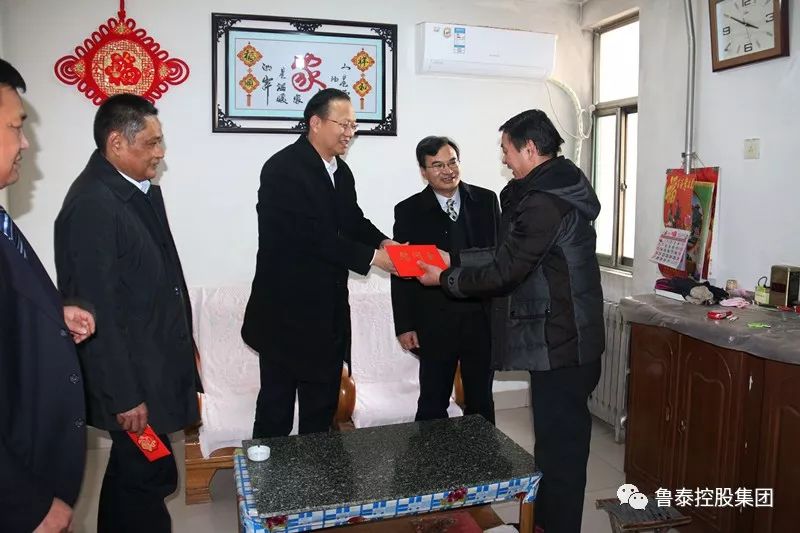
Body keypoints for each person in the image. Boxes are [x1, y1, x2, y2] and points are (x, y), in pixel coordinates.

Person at [418, 109, 604, 533]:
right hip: (563, 340)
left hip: (564, 343)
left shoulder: (545, 201)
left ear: (530, 149)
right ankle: (545, 524)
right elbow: (511, 254)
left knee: (561, 454)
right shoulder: (549, 189)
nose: (503, 158)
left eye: (506, 149)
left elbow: (507, 271)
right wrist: (454, 258)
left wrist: (446, 278)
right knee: (555, 448)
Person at [54, 93, 200, 533]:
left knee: (143, 473)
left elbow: (162, 279)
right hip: (132, 380)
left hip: (152, 365)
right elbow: (95, 310)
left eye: (160, 141)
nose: (160, 152)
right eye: (151, 143)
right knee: (143, 476)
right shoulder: (93, 206)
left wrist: (186, 344)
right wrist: (123, 394)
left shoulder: (134, 191)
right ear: (117, 143)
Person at [242, 88, 396, 438]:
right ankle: (268, 475)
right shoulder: (283, 169)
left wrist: (385, 243)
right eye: (344, 124)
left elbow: (352, 220)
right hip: (285, 316)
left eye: (354, 126)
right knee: (276, 411)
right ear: (315, 123)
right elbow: (309, 236)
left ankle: (317, 474)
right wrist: (375, 258)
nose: (350, 133)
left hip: (327, 316)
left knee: (321, 409)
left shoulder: (341, 171)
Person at [0, 58, 95, 533]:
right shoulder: (93, 201)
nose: (25, 143)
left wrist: (53, 315)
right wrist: (26, 504)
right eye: (15, 127)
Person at [391, 136, 499, 423]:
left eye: (452, 162)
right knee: (432, 401)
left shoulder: (486, 201)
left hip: (480, 317)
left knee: (481, 400)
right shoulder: (408, 210)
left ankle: (482, 452)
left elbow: (499, 258)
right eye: (437, 165)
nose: (448, 171)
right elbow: (402, 269)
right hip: (434, 320)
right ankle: (429, 453)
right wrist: (405, 324)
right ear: (423, 171)